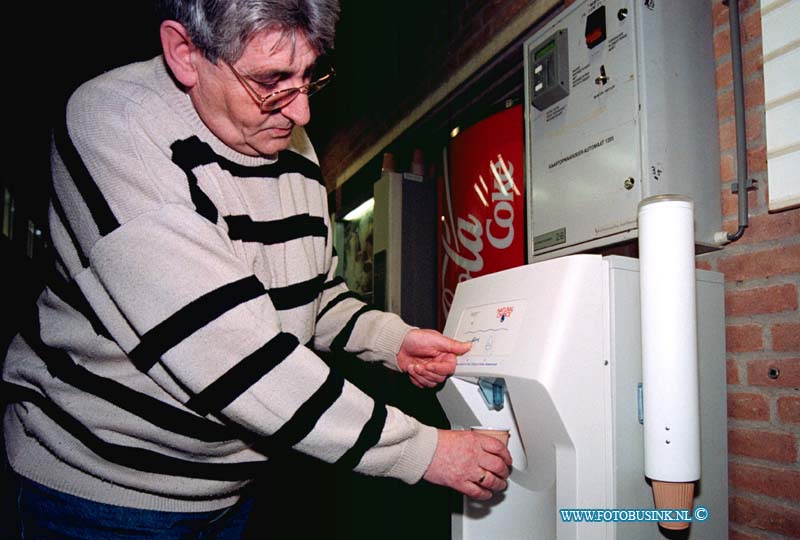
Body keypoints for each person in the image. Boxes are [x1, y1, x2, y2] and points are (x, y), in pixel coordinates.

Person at [1, 0, 512, 537]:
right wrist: (422, 451)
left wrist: (390, 340)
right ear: (185, 54)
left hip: (229, 490)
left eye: (309, 76)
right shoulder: (116, 124)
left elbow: (311, 295)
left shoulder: (288, 139)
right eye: (272, 81)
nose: (301, 114)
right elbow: (231, 354)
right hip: (97, 492)